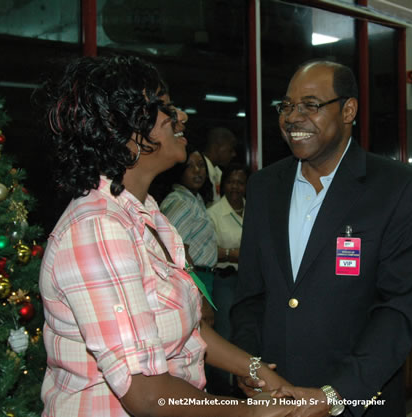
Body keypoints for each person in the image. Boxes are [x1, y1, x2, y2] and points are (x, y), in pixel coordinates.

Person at [38, 55, 293, 417]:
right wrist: (252, 413)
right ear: (121, 129)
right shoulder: (98, 229)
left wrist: (256, 370)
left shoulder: (147, 213)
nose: (182, 117)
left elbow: (189, 332)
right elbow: (146, 394)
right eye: (164, 108)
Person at [230, 60, 412, 417]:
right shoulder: (264, 187)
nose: (293, 117)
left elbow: (398, 308)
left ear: (348, 110)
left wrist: (336, 394)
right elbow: (250, 294)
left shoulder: (397, 187)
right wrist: (248, 365)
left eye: (310, 105)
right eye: (287, 106)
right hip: (271, 400)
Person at [206, 164, 249, 394]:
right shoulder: (213, 212)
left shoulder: (253, 209)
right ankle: (222, 390)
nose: (235, 187)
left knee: (246, 331)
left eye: (240, 182)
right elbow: (208, 250)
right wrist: (234, 254)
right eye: (231, 182)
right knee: (225, 333)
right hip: (225, 280)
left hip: (249, 281)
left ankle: (244, 384)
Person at [160, 144, 217, 310]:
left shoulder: (195, 199)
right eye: (190, 166)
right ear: (179, 171)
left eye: (200, 165)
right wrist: (199, 292)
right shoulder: (180, 202)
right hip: (193, 278)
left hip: (204, 276)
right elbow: (175, 252)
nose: (197, 171)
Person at [203, 127, 237, 202]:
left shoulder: (217, 172)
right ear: (216, 148)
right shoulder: (200, 172)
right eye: (230, 150)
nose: (234, 154)